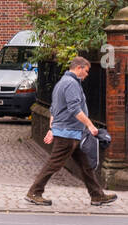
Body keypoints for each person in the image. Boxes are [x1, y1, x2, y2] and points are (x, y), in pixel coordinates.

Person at [25, 57, 117, 207]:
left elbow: (54, 108)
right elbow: (74, 109)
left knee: (85, 165)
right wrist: (90, 126)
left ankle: (97, 195)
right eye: (86, 71)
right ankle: (34, 192)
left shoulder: (62, 83)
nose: (87, 74)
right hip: (68, 133)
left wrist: (51, 129)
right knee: (53, 164)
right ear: (79, 68)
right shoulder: (71, 84)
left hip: (71, 133)